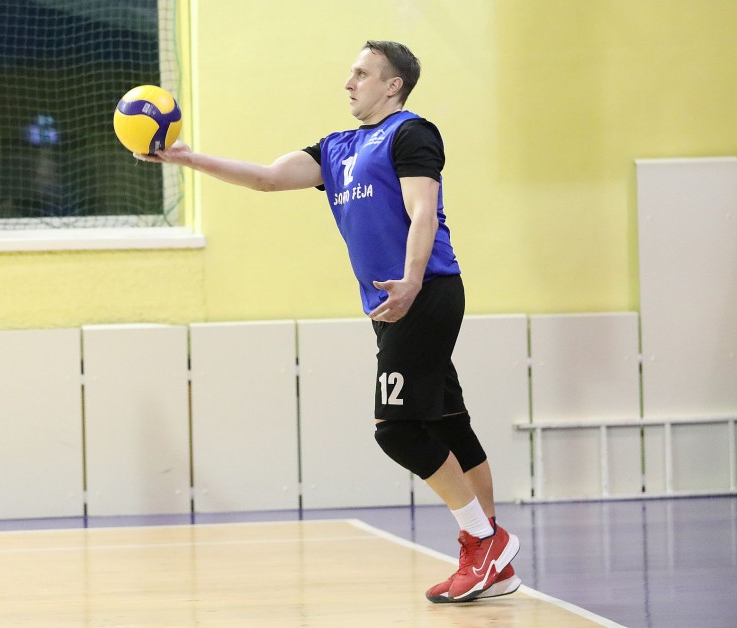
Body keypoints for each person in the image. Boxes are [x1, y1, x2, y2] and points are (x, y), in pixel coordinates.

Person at [136, 40, 519, 603]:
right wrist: (187, 159)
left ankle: (483, 540)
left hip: (426, 292)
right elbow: (267, 178)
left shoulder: (412, 133)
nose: (349, 82)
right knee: (446, 423)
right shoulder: (337, 148)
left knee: (396, 429)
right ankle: (494, 563)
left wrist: (412, 281)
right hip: (391, 303)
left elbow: (422, 211)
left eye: (362, 73)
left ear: (393, 85)